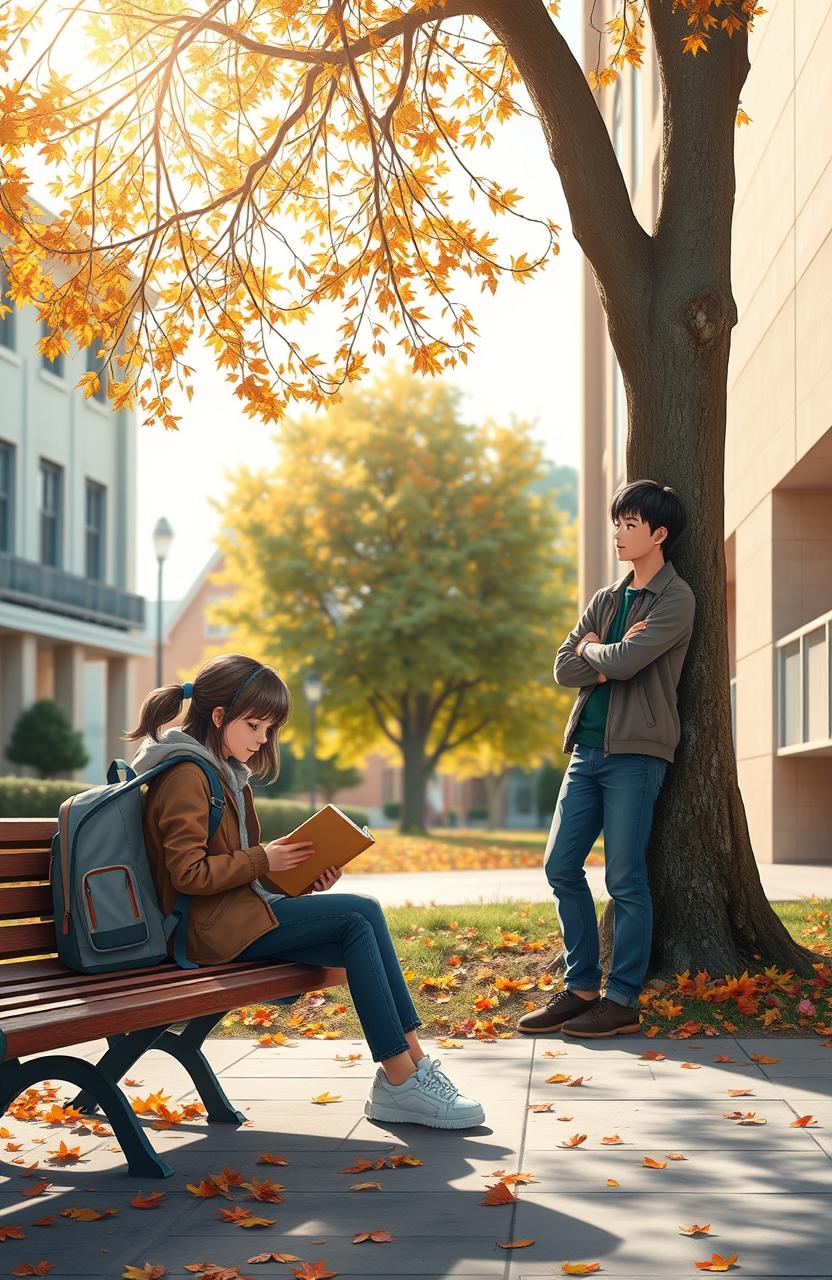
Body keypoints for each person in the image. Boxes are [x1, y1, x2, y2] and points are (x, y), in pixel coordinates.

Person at [125, 653, 484, 1129]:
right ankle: (402, 1078)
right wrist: (263, 858)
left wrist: (295, 876)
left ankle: (410, 1071)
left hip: (232, 919)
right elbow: (189, 875)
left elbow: (238, 872)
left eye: (269, 729)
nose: (262, 740)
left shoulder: (222, 773)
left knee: (359, 922)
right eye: (255, 726)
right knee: (358, 915)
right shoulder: (187, 775)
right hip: (201, 934)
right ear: (218, 717)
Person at [518, 480, 695, 1039]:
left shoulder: (676, 598)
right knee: (559, 866)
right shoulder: (605, 598)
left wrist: (596, 653)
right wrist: (603, 656)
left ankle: (621, 999)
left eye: (629, 525)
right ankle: (581, 988)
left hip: (637, 754)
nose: (618, 533)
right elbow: (562, 668)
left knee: (625, 880)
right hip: (586, 751)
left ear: (658, 533)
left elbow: (623, 662)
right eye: (617, 523)